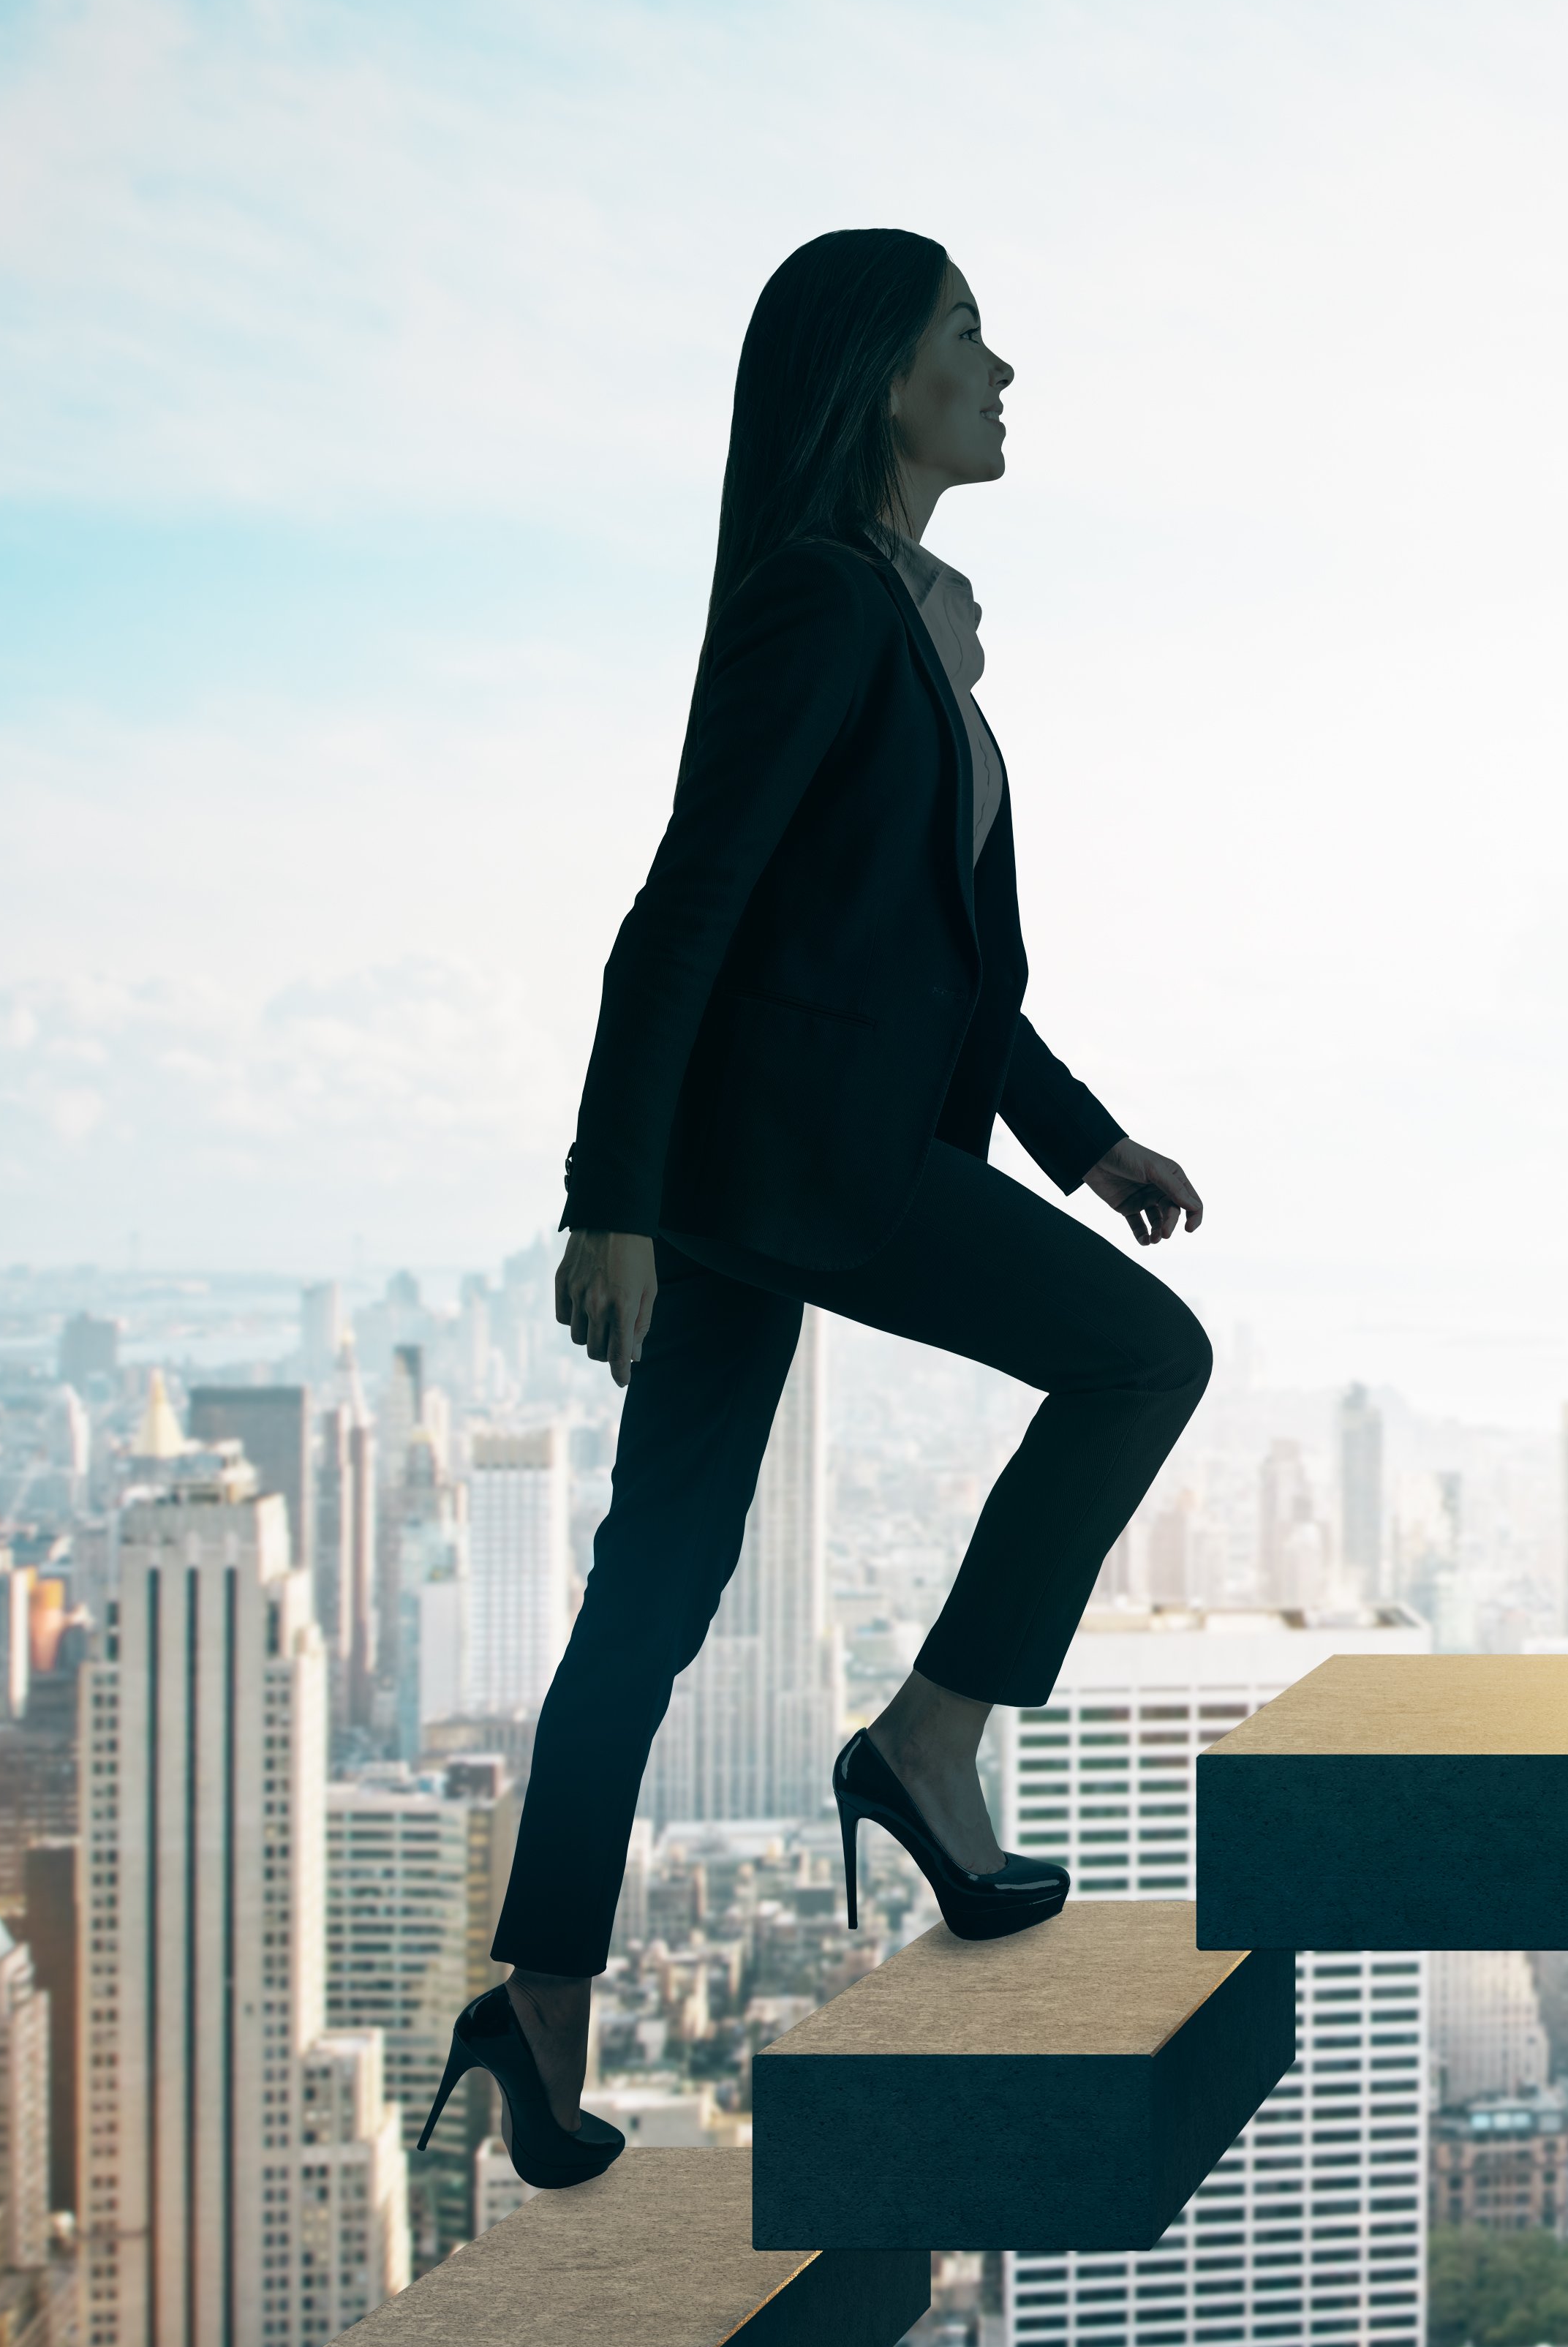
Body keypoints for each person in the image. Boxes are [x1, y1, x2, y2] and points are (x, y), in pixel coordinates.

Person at [416, 229, 1212, 2190]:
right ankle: (929, 1744)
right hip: (798, 1170)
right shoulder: (821, 605)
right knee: (1144, 1358)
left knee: (656, 1589)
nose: (1004, 370)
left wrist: (1084, 1140)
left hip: (779, 1161)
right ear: (879, 380)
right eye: (966, 337)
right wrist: (609, 1203)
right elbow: (683, 905)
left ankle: (533, 2009)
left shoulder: (896, 619)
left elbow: (949, 977)